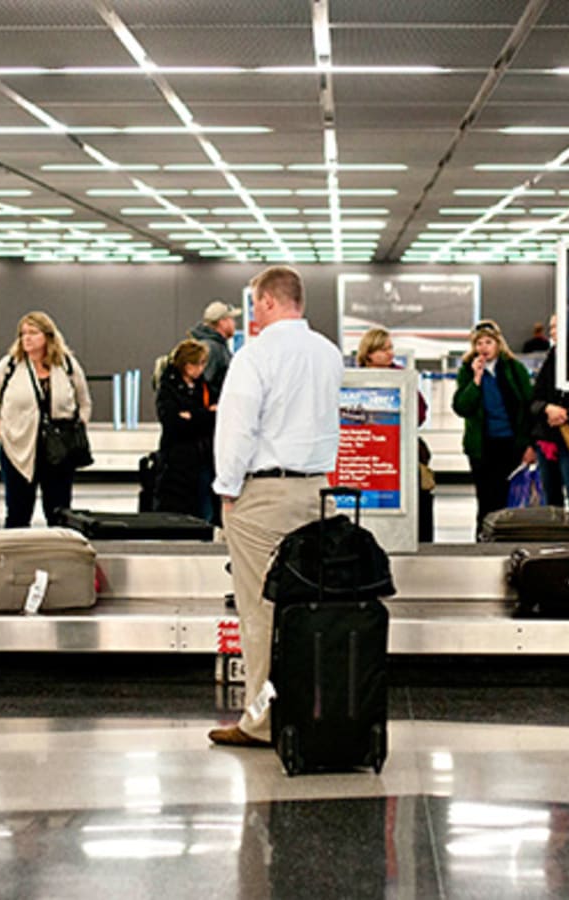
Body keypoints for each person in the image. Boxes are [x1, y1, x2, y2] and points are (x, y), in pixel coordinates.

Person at [209, 266, 342, 748]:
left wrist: (227, 487)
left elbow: (238, 429)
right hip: (316, 493)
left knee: (261, 612)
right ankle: (312, 710)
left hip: (262, 496)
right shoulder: (329, 354)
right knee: (309, 606)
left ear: (266, 302)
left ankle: (261, 720)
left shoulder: (255, 355)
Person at [0, 312, 93, 528]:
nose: (27, 338)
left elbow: (84, 401)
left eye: (33, 332)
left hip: (59, 452)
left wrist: (78, 426)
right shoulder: (9, 366)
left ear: (48, 336)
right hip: (18, 450)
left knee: (59, 513)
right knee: (17, 513)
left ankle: (58, 558)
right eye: (23, 334)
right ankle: (16, 559)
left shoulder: (67, 366)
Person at [453, 319, 535, 536]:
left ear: (498, 344)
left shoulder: (514, 369)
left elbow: (528, 406)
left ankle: (506, 538)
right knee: (485, 497)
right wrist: (476, 380)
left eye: (488, 342)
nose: (483, 348)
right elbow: (462, 407)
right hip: (482, 445)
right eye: (478, 343)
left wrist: (530, 444)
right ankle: (483, 537)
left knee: (507, 496)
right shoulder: (467, 371)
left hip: (510, 442)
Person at [356, 327, 433, 542]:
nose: (389, 353)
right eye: (383, 349)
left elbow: (420, 412)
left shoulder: (403, 377)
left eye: (390, 348)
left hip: (399, 449)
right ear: (369, 353)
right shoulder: (354, 379)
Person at [530, 316, 569, 513]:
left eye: (557, 327)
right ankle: (556, 535)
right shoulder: (552, 357)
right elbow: (535, 399)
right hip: (547, 437)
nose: (552, 331)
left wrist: (566, 415)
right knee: (551, 497)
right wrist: (548, 409)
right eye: (551, 327)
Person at [153, 338, 217, 522]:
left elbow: (217, 415)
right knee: (177, 507)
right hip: (176, 459)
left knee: (205, 506)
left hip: (202, 455)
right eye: (196, 364)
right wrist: (205, 414)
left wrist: (193, 416)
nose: (200, 369)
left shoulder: (205, 387)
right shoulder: (169, 387)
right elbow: (172, 421)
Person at [190, 300, 241, 398]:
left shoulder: (217, 346)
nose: (234, 324)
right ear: (222, 322)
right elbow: (201, 384)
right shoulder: (211, 348)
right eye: (231, 319)